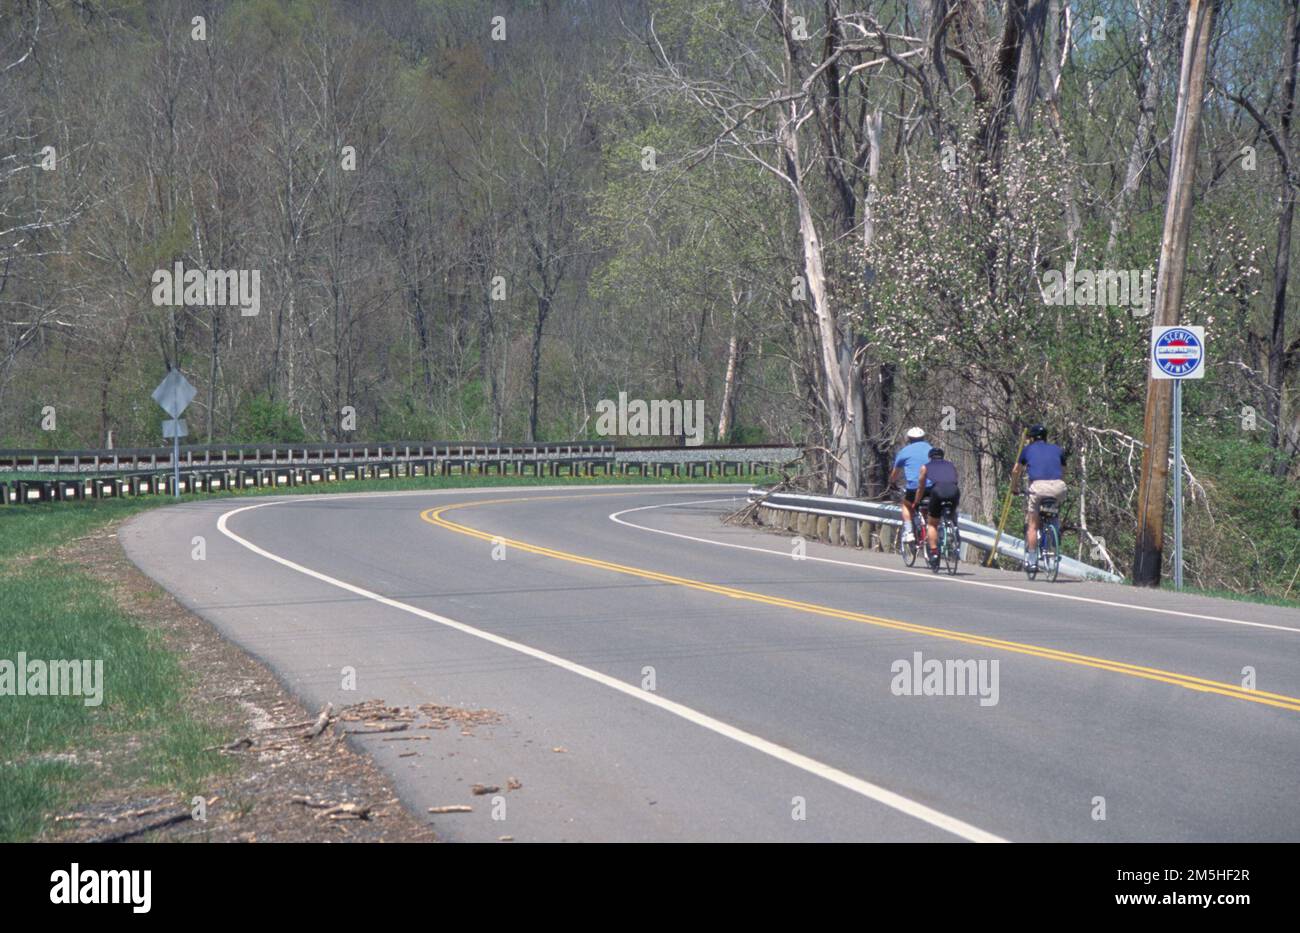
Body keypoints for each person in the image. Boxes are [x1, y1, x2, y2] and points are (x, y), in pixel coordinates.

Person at [1011, 424, 1067, 571]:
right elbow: (1063, 470)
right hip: (1059, 486)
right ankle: (1054, 531)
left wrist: (1014, 487)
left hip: (1038, 487)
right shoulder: (1057, 449)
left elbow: (1016, 470)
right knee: (1053, 511)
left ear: (1032, 438)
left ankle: (1032, 561)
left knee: (1033, 526)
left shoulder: (1028, 449)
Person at [914, 448, 960, 568]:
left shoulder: (925, 467)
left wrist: (917, 502)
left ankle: (934, 553)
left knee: (932, 523)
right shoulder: (951, 465)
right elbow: (955, 479)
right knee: (952, 513)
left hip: (938, 491)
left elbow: (921, 487)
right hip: (954, 491)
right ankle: (953, 529)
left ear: (930, 457)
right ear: (942, 456)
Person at [888, 427, 931, 542]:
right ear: (923, 438)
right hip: (933, 486)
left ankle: (909, 532)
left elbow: (895, 473)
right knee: (928, 504)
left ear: (909, 439)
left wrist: (892, 483)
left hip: (915, 487)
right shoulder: (931, 449)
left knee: (906, 505)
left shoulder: (904, 452)